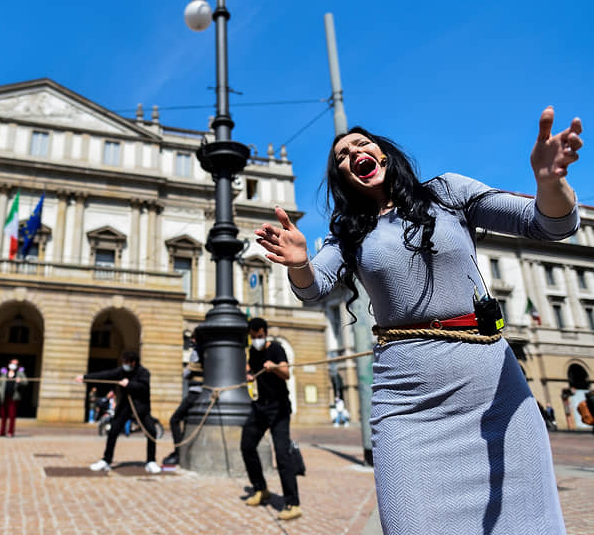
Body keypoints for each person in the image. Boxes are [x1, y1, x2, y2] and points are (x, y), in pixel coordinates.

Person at [255, 106, 581, 533]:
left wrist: (549, 182)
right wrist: (299, 262)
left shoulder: (448, 192)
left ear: (383, 154)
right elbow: (312, 288)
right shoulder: (348, 232)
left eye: (360, 145)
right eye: (340, 157)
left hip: (494, 393)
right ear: (343, 179)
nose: (352, 154)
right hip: (408, 404)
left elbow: (548, 225)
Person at [240, 317, 301, 521]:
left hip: (279, 408)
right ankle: (261, 489)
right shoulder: (253, 352)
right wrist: (249, 374)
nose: (257, 339)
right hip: (261, 407)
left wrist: (274, 367)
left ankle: (293, 503)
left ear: (265, 333)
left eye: (260, 336)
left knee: (282, 454)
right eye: (254, 336)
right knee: (247, 445)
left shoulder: (276, 348)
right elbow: (250, 368)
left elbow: (286, 373)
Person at [76, 350, 160, 474]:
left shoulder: (144, 372)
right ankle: (106, 460)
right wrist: (85, 378)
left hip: (141, 407)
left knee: (151, 431)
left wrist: (129, 384)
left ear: (133, 362)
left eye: (127, 362)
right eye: (123, 362)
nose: (124, 365)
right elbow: (104, 375)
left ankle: (151, 461)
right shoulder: (121, 371)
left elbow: (144, 387)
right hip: (125, 407)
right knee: (113, 431)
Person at [162, 329, 204, 465]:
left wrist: (185, 371)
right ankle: (182, 451)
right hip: (203, 393)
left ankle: (178, 452)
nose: (191, 340)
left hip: (195, 393)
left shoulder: (196, 352)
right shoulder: (208, 351)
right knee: (186, 421)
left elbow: (187, 373)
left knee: (174, 420)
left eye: (193, 338)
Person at [0, 358, 27, 437]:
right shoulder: (4, 373)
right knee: (3, 415)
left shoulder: (20, 373)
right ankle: (2, 431)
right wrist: (0, 393)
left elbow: (26, 382)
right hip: (4, 397)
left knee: (12, 415)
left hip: (13, 397)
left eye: (15, 364)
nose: (13, 365)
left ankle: (10, 432)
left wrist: (20, 381)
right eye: (12, 363)